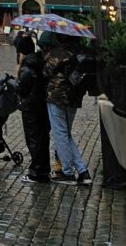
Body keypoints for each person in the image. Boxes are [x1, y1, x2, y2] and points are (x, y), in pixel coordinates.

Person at [43, 33, 91, 185]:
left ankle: (67, 172)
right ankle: (83, 172)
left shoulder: (60, 53)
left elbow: (45, 72)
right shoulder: (81, 52)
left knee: (60, 134)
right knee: (67, 134)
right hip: (74, 98)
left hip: (57, 96)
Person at [16, 31, 50, 183]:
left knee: (33, 138)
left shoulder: (27, 66)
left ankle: (36, 172)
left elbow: (22, 88)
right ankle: (44, 169)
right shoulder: (40, 61)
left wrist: (14, 84)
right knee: (43, 137)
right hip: (42, 104)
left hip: (30, 106)